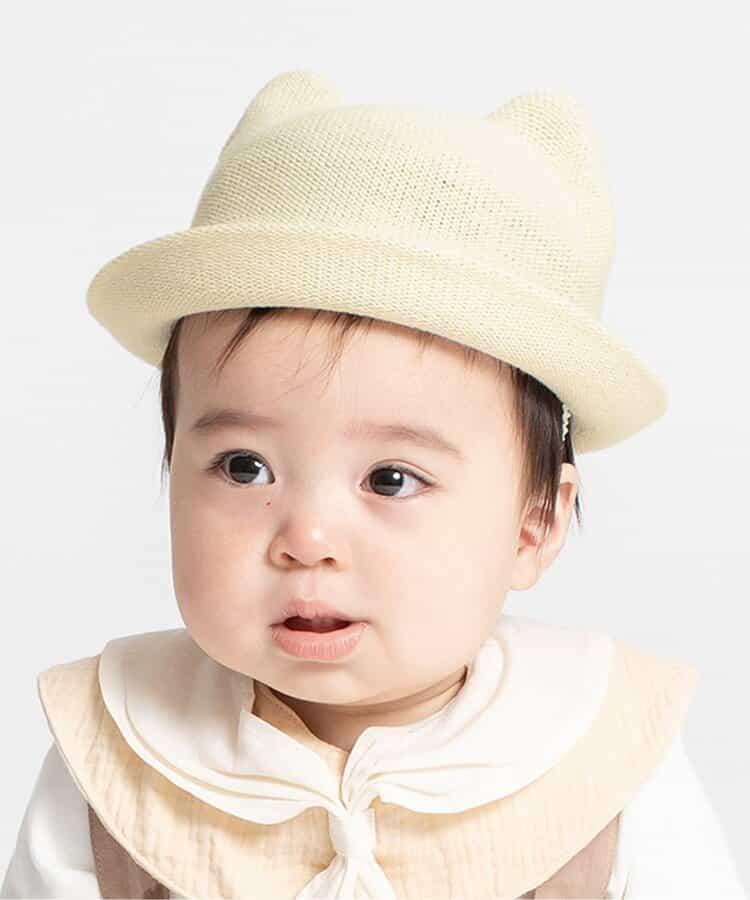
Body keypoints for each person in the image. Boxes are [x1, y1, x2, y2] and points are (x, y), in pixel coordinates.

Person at [1, 68, 745, 899]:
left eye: (391, 479)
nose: (307, 539)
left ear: (533, 525)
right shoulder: (114, 756)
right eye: (245, 466)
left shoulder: (606, 757)